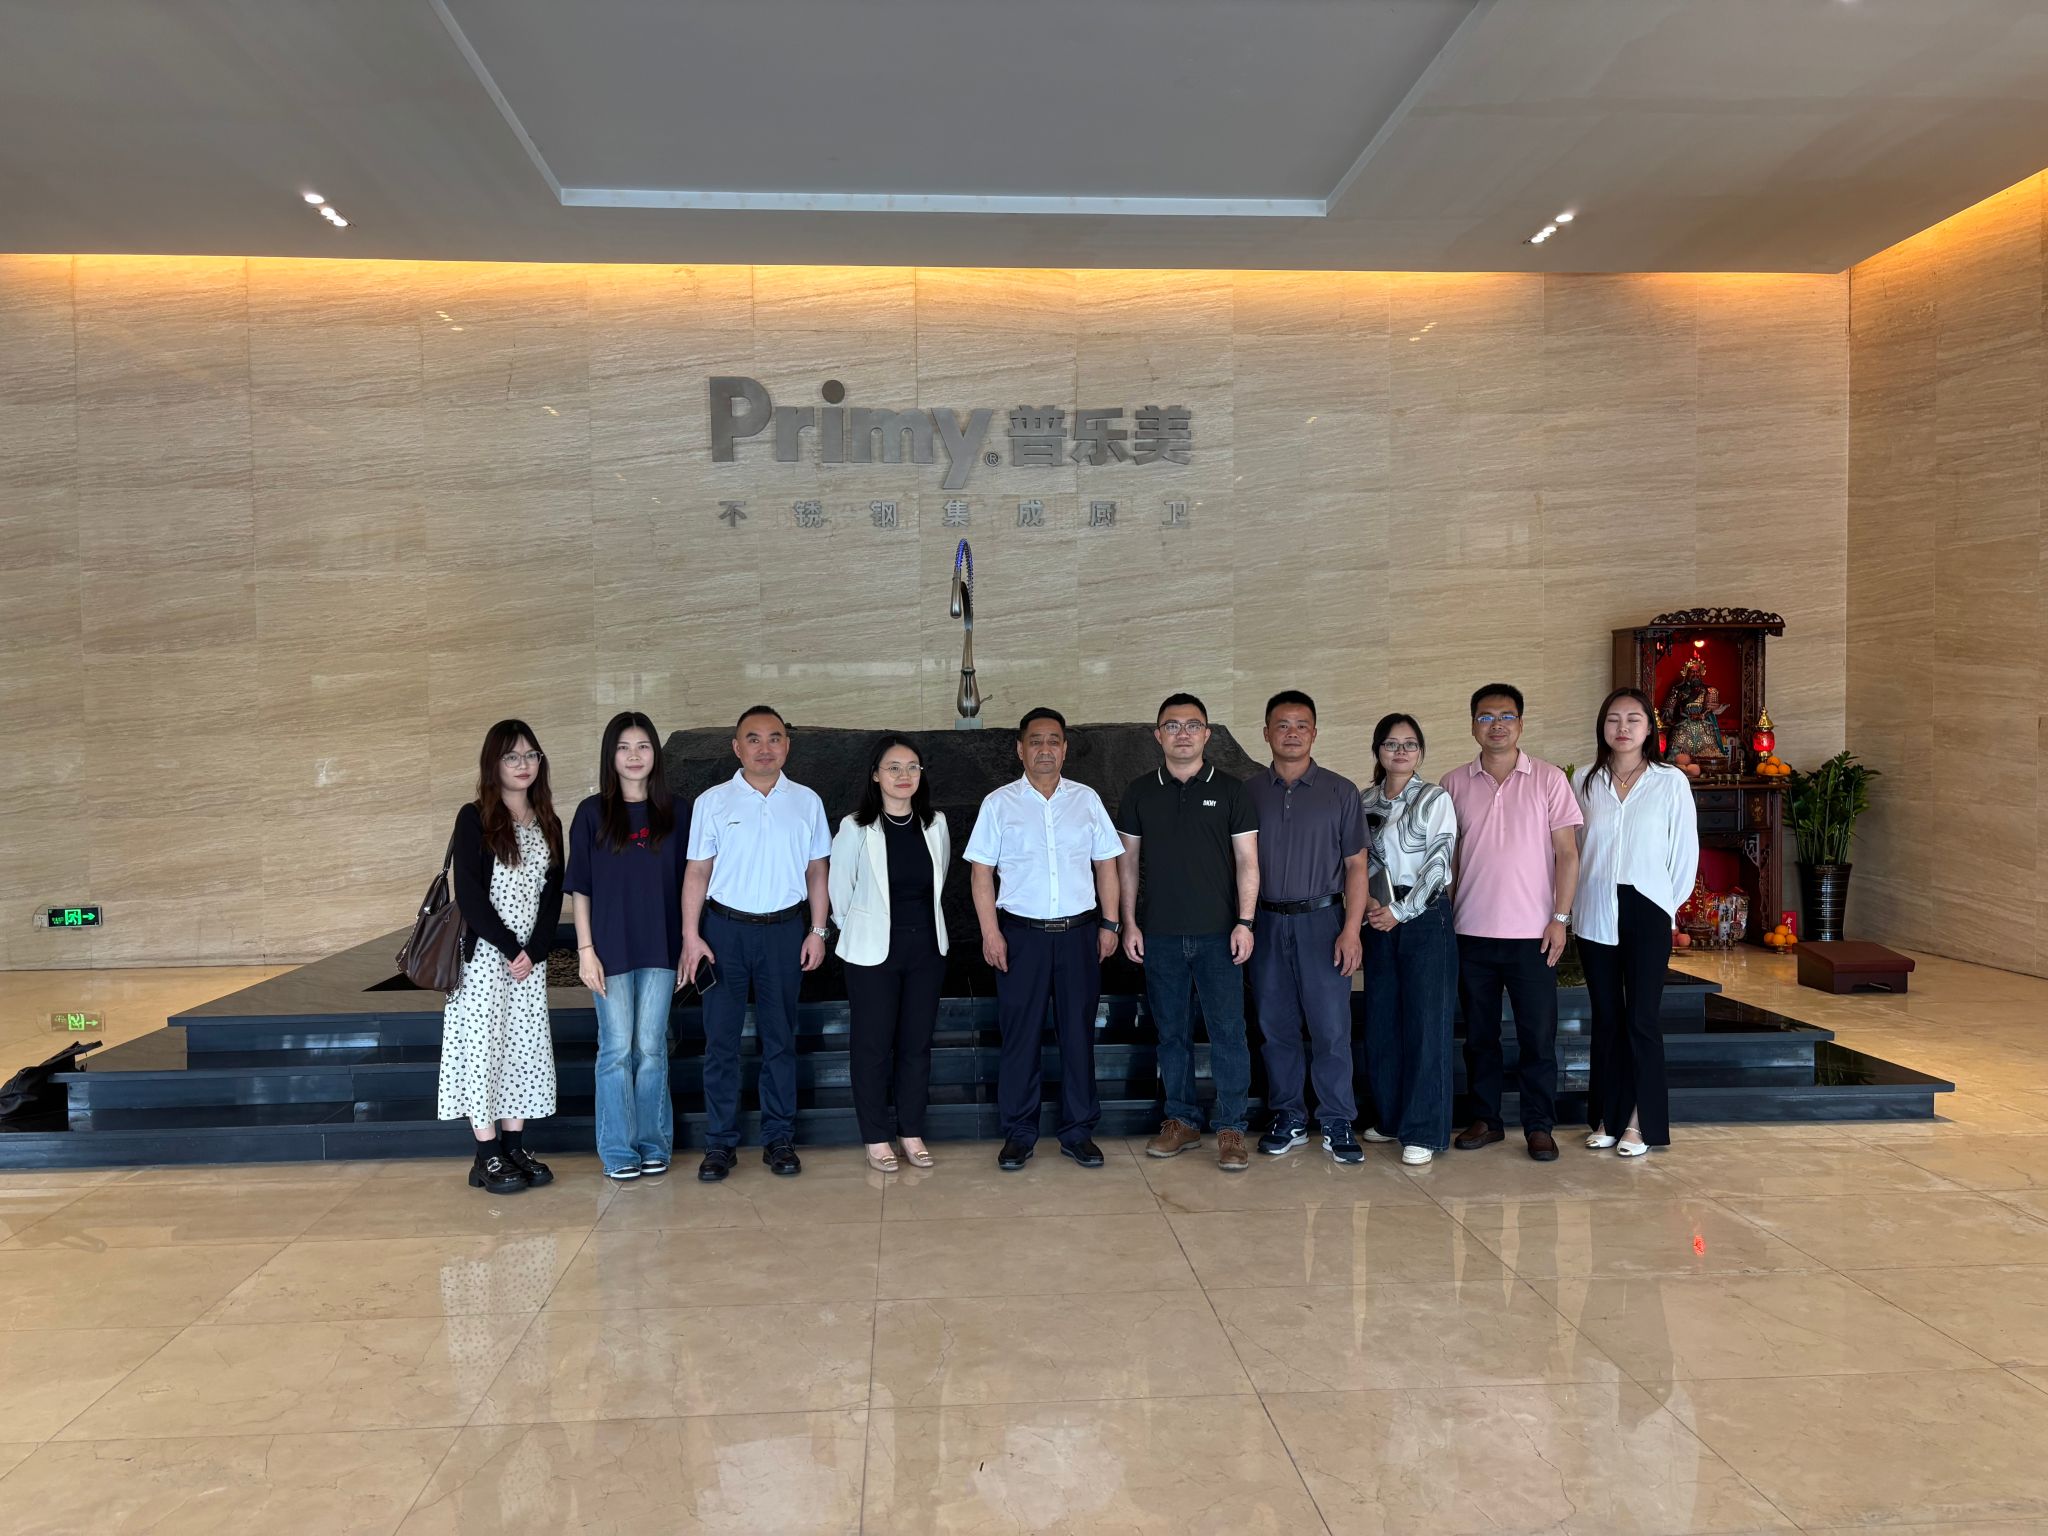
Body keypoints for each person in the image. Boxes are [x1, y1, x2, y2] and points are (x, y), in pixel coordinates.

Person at [966, 707, 1122, 1172]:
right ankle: (1019, 1133)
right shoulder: (998, 804)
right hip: (1021, 937)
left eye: (1054, 740)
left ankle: (1078, 1132)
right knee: (1021, 1037)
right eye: (1036, 741)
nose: (1045, 749)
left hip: (1079, 935)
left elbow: (1106, 865)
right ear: (1020, 749)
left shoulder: (1086, 800)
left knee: (1078, 1035)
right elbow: (980, 873)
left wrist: (1110, 924)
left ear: (1065, 749)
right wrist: (990, 933)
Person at [682, 705, 832, 1182]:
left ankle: (779, 1139)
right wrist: (691, 936)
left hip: (785, 932)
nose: (764, 748)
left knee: (779, 1039)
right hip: (723, 932)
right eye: (753, 739)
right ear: (736, 747)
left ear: (787, 745)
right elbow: (697, 872)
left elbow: (818, 871)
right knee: (721, 1042)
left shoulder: (806, 801)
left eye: (774, 738)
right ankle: (719, 1143)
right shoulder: (713, 802)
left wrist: (818, 929)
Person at [1116, 693, 1260, 1172]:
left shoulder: (1232, 790)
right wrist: (1129, 922)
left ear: (1207, 734)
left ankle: (1232, 1127)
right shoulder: (1140, 791)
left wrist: (1245, 922)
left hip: (1220, 935)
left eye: (1192, 725)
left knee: (1229, 1033)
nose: (1183, 733)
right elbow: (1127, 864)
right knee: (1171, 1034)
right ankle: (1180, 1120)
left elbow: (1247, 861)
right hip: (1159, 935)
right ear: (1158, 735)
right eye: (1172, 726)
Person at [1444, 684, 1582, 1162]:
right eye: (1485, 717)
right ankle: (1486, 1119)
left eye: (1506, 716)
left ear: (1520, 724)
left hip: (1533, 936)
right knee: (1479, 1037)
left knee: (1537, 1037)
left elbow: (1567, 853)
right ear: (1473, 726)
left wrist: (1560, 918)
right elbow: (1448, 859)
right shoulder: (1453, 784)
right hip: (1471, 932)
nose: (1496, 725)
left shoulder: (1548, 779)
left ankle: (1539, 1126)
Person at [1244, 690, 1371, 1165]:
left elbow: (1357, 866)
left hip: (1323, 922)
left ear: (1315, 733)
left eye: (1301, 725)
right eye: (1282, 725)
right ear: (1266, 733)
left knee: (1330, 1027)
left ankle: (1337, 1119)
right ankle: (1289, 1116)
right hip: (1265, 922)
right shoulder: (1248, 793)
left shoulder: (1340, 791)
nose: (1292, 733)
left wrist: (1351, 929)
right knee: (1274, 1026)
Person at [1572, 687, 1698, 1157]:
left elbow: (1684, 853)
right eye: (1613, 719)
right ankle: (1607, 1116)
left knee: (1642, 1018)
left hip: (1648, 907)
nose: (1622, 728)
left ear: (1649, 728)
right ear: (1602, 727)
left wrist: (1666, 905)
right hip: (1595, 908)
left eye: (1633, 719)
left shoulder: (1670, 781)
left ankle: (1640, 1122)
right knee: (1606, 1017)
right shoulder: (1584, 780)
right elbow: (1574, 850)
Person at [442, 719, 563, 1194]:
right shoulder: (475, 817)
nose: (523, 764)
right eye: (512, 756)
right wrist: (512, 949)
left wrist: (535, 951)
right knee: (483, 1050)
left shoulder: (549, 821)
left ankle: (514, 1147)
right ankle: (486, 1153)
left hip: (528, 964)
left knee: (522, 1050)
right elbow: (469, 895)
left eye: (531, 755)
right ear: (493, 764)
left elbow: (552, 896)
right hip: (486, 961)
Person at [567, 711, 683, 1183]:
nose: (634, 756)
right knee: (615, 1049)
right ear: (610, 756)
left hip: (662, 948)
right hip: (609, 951)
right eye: (623, 747)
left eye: (643, 746)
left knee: (651, 1048)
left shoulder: (678, 812)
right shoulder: (591, 813)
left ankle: (653, 1144)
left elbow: (693, 883)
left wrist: (688, 944)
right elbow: (580, 888)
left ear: (655, 753)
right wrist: (585, 950)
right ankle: (617, 1150)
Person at [829, 734, 951, 1173]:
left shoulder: (935, 823)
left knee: (916, 1045)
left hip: (926, 948)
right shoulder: (855, 827)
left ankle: (911, 1132)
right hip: (871, 953)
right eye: (894, 767)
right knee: (872, 1047)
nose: (904, 775)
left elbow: (939, 881)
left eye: (912, 767)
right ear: (876, 776)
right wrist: (861, 928)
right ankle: (876, 1137)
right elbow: (840, 892)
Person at [1360, 713, 1459, 1165]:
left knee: (1426, 1023)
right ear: (1377, 750)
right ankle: (1391, 1118)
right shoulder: (1363, 801)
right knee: (1382, 1021)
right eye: (1391, 743)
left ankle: (1423, 1130)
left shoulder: (1434, 798)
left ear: (1420, 751)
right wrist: (1367, 905)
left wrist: (1400, 911)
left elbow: (1439, 863)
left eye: (1410, 744)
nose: (1400, 751)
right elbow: (1356, 861)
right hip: (1376, 915)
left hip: (1423, 917)